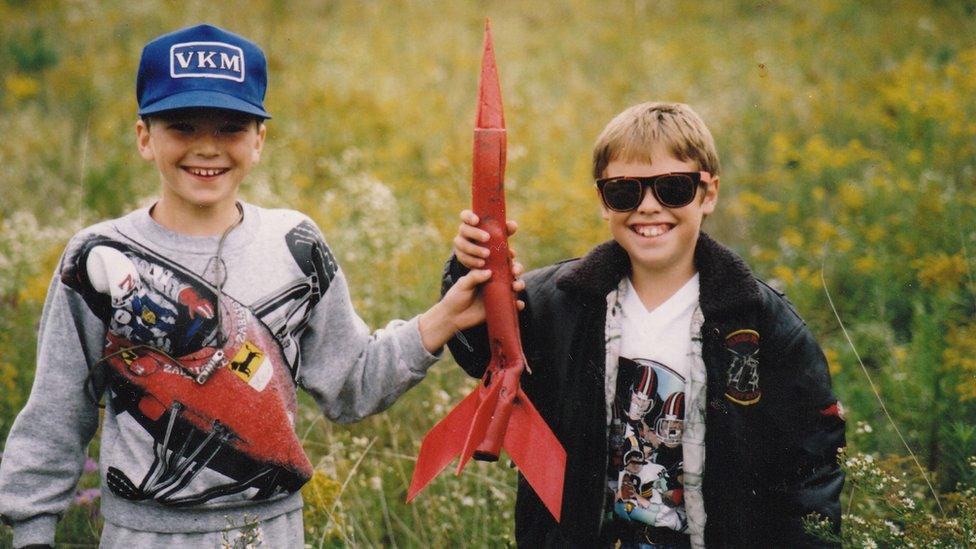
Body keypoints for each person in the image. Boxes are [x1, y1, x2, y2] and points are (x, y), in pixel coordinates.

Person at [0, 24, 516, 548]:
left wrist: (447, 316)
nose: (207, 148)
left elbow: (353, 384)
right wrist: (32, 531)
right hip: (142, 536)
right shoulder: (96, 260)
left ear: (259, 140)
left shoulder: (295, 245)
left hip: (272, 533)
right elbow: (57, 412)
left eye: (231, 128)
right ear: (143, 138)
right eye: (181, 127)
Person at [446, 102, 846, 547]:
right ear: (603, 201)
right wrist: (474, 271)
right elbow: (481, 353)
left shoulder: (760, 322)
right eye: (624, 192)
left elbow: (811, 467)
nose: (649, 208)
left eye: (673, 188)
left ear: (708, 193)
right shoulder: (559, 302)